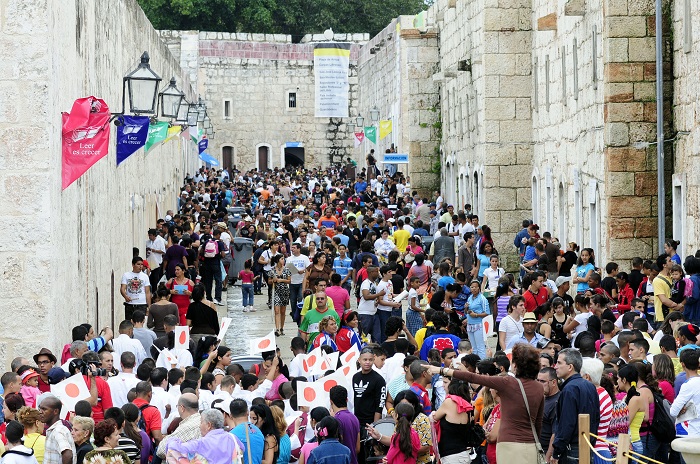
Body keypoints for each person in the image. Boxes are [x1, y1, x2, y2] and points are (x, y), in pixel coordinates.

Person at [430, 343, 545, 462]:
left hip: (509, 444)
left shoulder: (508, 383)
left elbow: (473, 378)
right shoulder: (539, 388)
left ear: (516, 365)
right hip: (531, 444)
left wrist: (441, 370)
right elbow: (538, 422)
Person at [550, 348, 600, 464]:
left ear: (570, 367)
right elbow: (597, 418)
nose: (555, 366)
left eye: (559, 363)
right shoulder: (590, 386)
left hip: (571, 450)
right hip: (587, 446)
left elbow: (567, 424)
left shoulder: (569, 389)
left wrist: (557, 451)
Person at [166, 408, 244, 464]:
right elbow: (242, 449)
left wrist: (173, 440)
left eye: (201, 422)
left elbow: (178, 448)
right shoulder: (232, 438)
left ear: (208, 425)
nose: (199, 426)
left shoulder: (201, 443)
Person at [352, 347, 386, 463]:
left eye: (370, 360)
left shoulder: (379, 379)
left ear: (374, 360)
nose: (367, 362)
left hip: (370, 423)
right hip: (356, 422)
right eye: (365, 359)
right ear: (359, 360)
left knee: (369, 456)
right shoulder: (355, 377)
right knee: (358, 454)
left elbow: (380, 404)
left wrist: (374, 426)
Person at [670, 348, 700, 437]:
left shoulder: (688, 385)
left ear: (682, 364)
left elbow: (673, 411)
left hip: (688, 431)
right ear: (698, 364)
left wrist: (680, 409)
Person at [38, 396, 75, 464]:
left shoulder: (58, 431)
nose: (40, 412)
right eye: (40, 409)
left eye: (44, 409)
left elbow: (68, 455)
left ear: (55, 411)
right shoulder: (54, 429)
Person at [329, 386, 360, 464]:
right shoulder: (354, 417)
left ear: (331, 401)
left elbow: (336, 447)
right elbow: (357, 448)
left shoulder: (336, 420)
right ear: (346, 400)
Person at [464, 279, 490, 358]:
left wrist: (476, 315)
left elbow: (487, 313)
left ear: (479, 288)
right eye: (472, 287)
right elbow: (466, 312)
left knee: (480, 347)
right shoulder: (469, 298)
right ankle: (474, 365)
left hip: (479, 324)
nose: (474, 289)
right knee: (474, 348)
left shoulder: (482, 298)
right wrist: (466, 308)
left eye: (475, 287)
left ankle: (482, 365)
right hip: (470, 324)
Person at [271, 254, 292, 337]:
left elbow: (289, 281)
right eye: (282, 259)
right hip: (276, 291)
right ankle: (277, 328)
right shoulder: (272, 270)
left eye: (284, 259)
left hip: (284, 291)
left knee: (283, 311)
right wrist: (273, 280)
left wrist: (281, 280)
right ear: (277, 260)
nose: (283, 260)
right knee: (277, 311)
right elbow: (269, 281)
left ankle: (282, 328)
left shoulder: (287, 270)